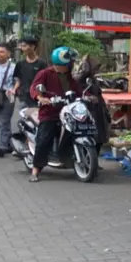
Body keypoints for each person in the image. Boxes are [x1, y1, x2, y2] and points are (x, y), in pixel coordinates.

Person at [28, 47, 82, 182]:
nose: (71, 65)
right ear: (60, 64)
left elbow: (78, 89)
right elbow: (35, 88)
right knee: (43, 140)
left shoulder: (70, 75)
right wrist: (41, 98)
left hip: (69, 111)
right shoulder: (45, 73)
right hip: (50, 112)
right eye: (69, 63)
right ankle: (35, 170)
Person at [14, 37, 48, 112]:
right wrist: (14, 90)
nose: (22, 48)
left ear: (33, 46)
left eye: (24, 46)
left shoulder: (42, 64)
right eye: (21, 46)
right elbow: (18, 80)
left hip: (37, 98)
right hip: (23, 98)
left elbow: (45, 81)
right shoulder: (20, 64)